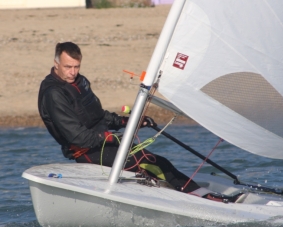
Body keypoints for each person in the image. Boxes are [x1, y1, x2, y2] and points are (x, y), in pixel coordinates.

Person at [38, 42, 243, 202]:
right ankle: (203, 197)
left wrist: (130, 121)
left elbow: (99, 116)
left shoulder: (79, 82)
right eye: (68, 67)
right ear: (56, 64)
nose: (73, 72)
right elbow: (78, 136)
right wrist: (109, 136)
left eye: (76, 66)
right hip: (87, 151)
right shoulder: (54, 94)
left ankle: (187, 192)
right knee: (151, 162)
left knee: (156, 162)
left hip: (103, 143)